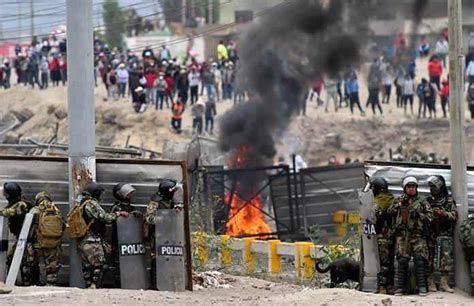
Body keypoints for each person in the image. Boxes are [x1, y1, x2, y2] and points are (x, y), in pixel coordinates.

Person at [77, 182, 129, 289]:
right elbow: (103, 216)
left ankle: (88, 287)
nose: (101, 196)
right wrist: (118, 214)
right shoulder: (92, 203)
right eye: (100, 194)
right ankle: (94, 287)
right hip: (92, 239)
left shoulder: (81, 203)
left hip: (83, 239)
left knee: (87, 266)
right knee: (100, 265)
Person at [388, 177, 433, 296]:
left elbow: (430, 216)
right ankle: (399, 289)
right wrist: (399, 205)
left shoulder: (422, 201)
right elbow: (389, 212)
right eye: (409, 187)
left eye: (413, 187)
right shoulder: (399, 200)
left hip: (418, 235)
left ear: (416, 188)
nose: (411, 189)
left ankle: (422, 287)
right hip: (403, 236)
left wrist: (418, 214)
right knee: (402, 261)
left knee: (420, 260)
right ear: (405, 188)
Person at [145, 179, 183, 288]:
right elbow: (149, 218)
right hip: (158, 235)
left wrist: (177, 209)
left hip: (169, 234)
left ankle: (168, 283)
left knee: (170, 258)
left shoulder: (170, 200)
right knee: (157, 258)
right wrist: (164, 217)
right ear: (168, 192)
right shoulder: (155, 202)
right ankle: (155, 284)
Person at [0, 182, 36, 285]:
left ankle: (28, 285)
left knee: (26, 264)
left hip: (28, 240)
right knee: (12, 259)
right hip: (22, 239)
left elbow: (9, 212)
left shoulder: (21, 204)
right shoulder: (16, 202)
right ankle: (17, 283)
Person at [425, 175, 456, 293]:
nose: (432, 189)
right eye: (431, 187)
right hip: (431, 233)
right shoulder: (428, 200)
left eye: (434, 186)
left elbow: (454, 215)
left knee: (445, 259)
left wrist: (443, 213)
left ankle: (444, 283)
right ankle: (431, 282)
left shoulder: (448, 200)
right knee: (429, 259)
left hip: (444, 233)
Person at [109, 183, 142, 287]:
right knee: (118, 263)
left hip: (130, 239)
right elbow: (111, 218)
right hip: (118, 238)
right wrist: (120, 214)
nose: (130, 195)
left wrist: (137, 214)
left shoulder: (130, 207)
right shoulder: (116, 207)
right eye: (128, 194)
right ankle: (119, 284)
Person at [29, 191, 64, 286]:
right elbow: (62, 225)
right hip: (53, 243)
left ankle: (32, 284)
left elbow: (27, 226)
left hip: (38, 243)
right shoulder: (56, 210)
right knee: (52, 268)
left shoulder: (35, 210)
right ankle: (51, 286)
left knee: (31, 265)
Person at [371, 177, 395, 294]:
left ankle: (382, 287)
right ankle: (390, 286)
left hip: (381, 237)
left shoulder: (376, 202)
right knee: (390, 263)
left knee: (382, 264)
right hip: (393, 237)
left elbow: (371, 220)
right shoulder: (393, 200)